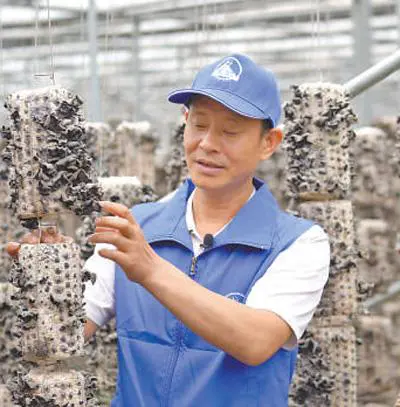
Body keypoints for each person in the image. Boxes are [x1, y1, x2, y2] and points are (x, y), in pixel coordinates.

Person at [8, 53, 330, 407]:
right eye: (199, 125)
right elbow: (68, 331)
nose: (208, 144)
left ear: (269, 142)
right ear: (185, 122)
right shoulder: (136, 227)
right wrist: (46, 278)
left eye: (230, 131)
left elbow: (255, 341)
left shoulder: (299, 243)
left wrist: (151, 270)